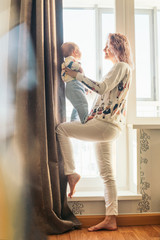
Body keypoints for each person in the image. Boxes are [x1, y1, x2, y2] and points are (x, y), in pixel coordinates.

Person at [56, 33, 133, 231]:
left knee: (61, 129)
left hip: (105, 125)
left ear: (116, 47)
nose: (104, 50)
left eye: (107, 46)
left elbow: (101, 88)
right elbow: (102, 94)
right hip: (110, 126)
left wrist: (76, 76)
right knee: (108, 174)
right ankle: (111, 218)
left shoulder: (120, 66)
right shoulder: (122, 70)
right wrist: (86, 89)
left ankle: (71, 173)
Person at [61, 42, 88, 123]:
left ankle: (73, 120)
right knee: (83, 104)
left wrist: (85, 88)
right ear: (74, 51)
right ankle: (86, 121)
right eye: (79, 50)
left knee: (77, 106)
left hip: (74, 85)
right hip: (74, 85)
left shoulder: (70, 60)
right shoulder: (69, 60)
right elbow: (69, 64)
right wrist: (80, 68)